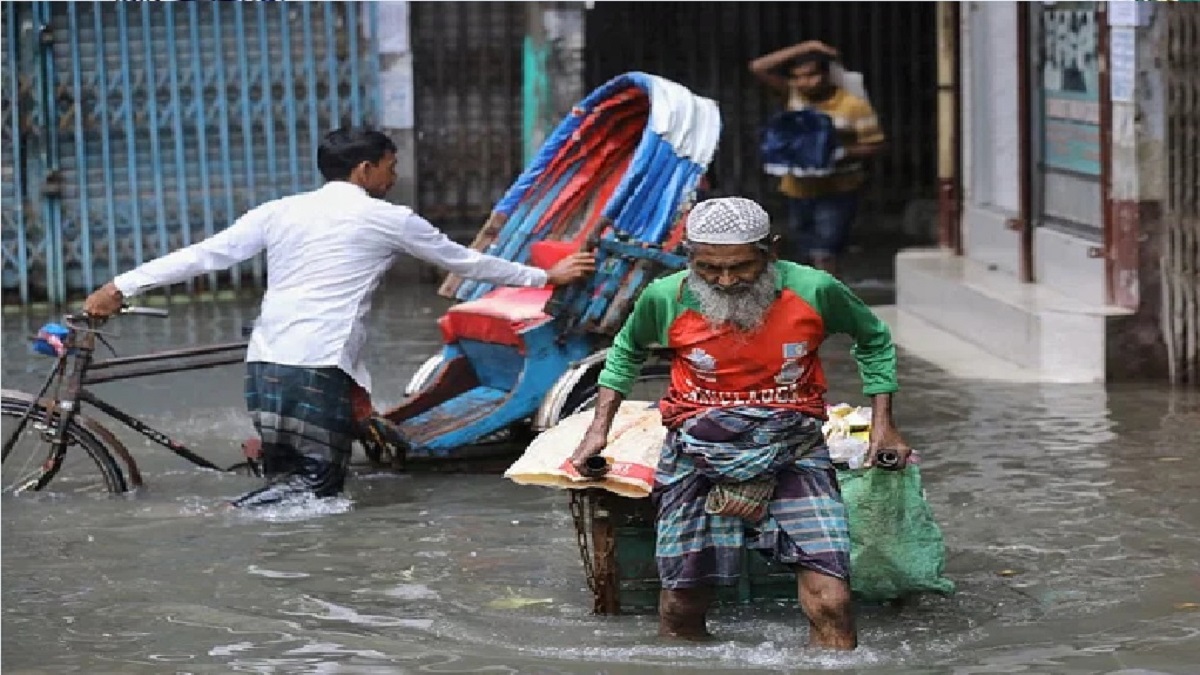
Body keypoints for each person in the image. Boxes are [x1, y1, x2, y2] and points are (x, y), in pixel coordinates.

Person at [82, 127, 596, 507]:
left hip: (266, 364)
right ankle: (235, 527)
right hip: (318, 367)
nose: (396, 177)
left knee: (286, 481)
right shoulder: (387, 219)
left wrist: (119, 285)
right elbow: (465, 262)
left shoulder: (279, 211)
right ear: (364, 170)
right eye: (391, 167)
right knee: (319, 493)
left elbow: (204, 254)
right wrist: (547, 277)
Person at [567, 197, 908, 650]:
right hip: (697, 446)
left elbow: (874, 339)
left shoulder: (815, 289)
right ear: (689, 257)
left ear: (772, 251)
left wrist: (885, 425)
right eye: (708, 268)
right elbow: (626, 353)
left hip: (793, 445)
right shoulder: (665, 297)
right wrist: (597, 431)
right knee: (681, 604)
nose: (726, 281)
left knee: (834, 602)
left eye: (742, 267)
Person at [749, 41, 887, 276]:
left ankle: (827, 299)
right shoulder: (794, 96)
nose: (804, 82)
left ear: (827, 75)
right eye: (798, 77)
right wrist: (808, 46)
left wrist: (838, 154)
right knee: (804, 248)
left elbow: (876, 145)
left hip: (837, 189)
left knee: (826, 249)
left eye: (811, 75)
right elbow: (758, 67)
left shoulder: (853, 106)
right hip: (797, 188)